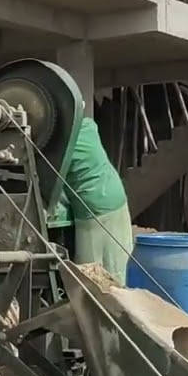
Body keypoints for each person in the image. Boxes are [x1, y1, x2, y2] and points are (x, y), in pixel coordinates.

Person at [65, 116, 135, 285]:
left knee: (91, 277)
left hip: (94, 206)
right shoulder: (87, 126)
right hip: (113, 192)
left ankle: (107, 309)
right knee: (117, 263)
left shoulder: (60, 140)